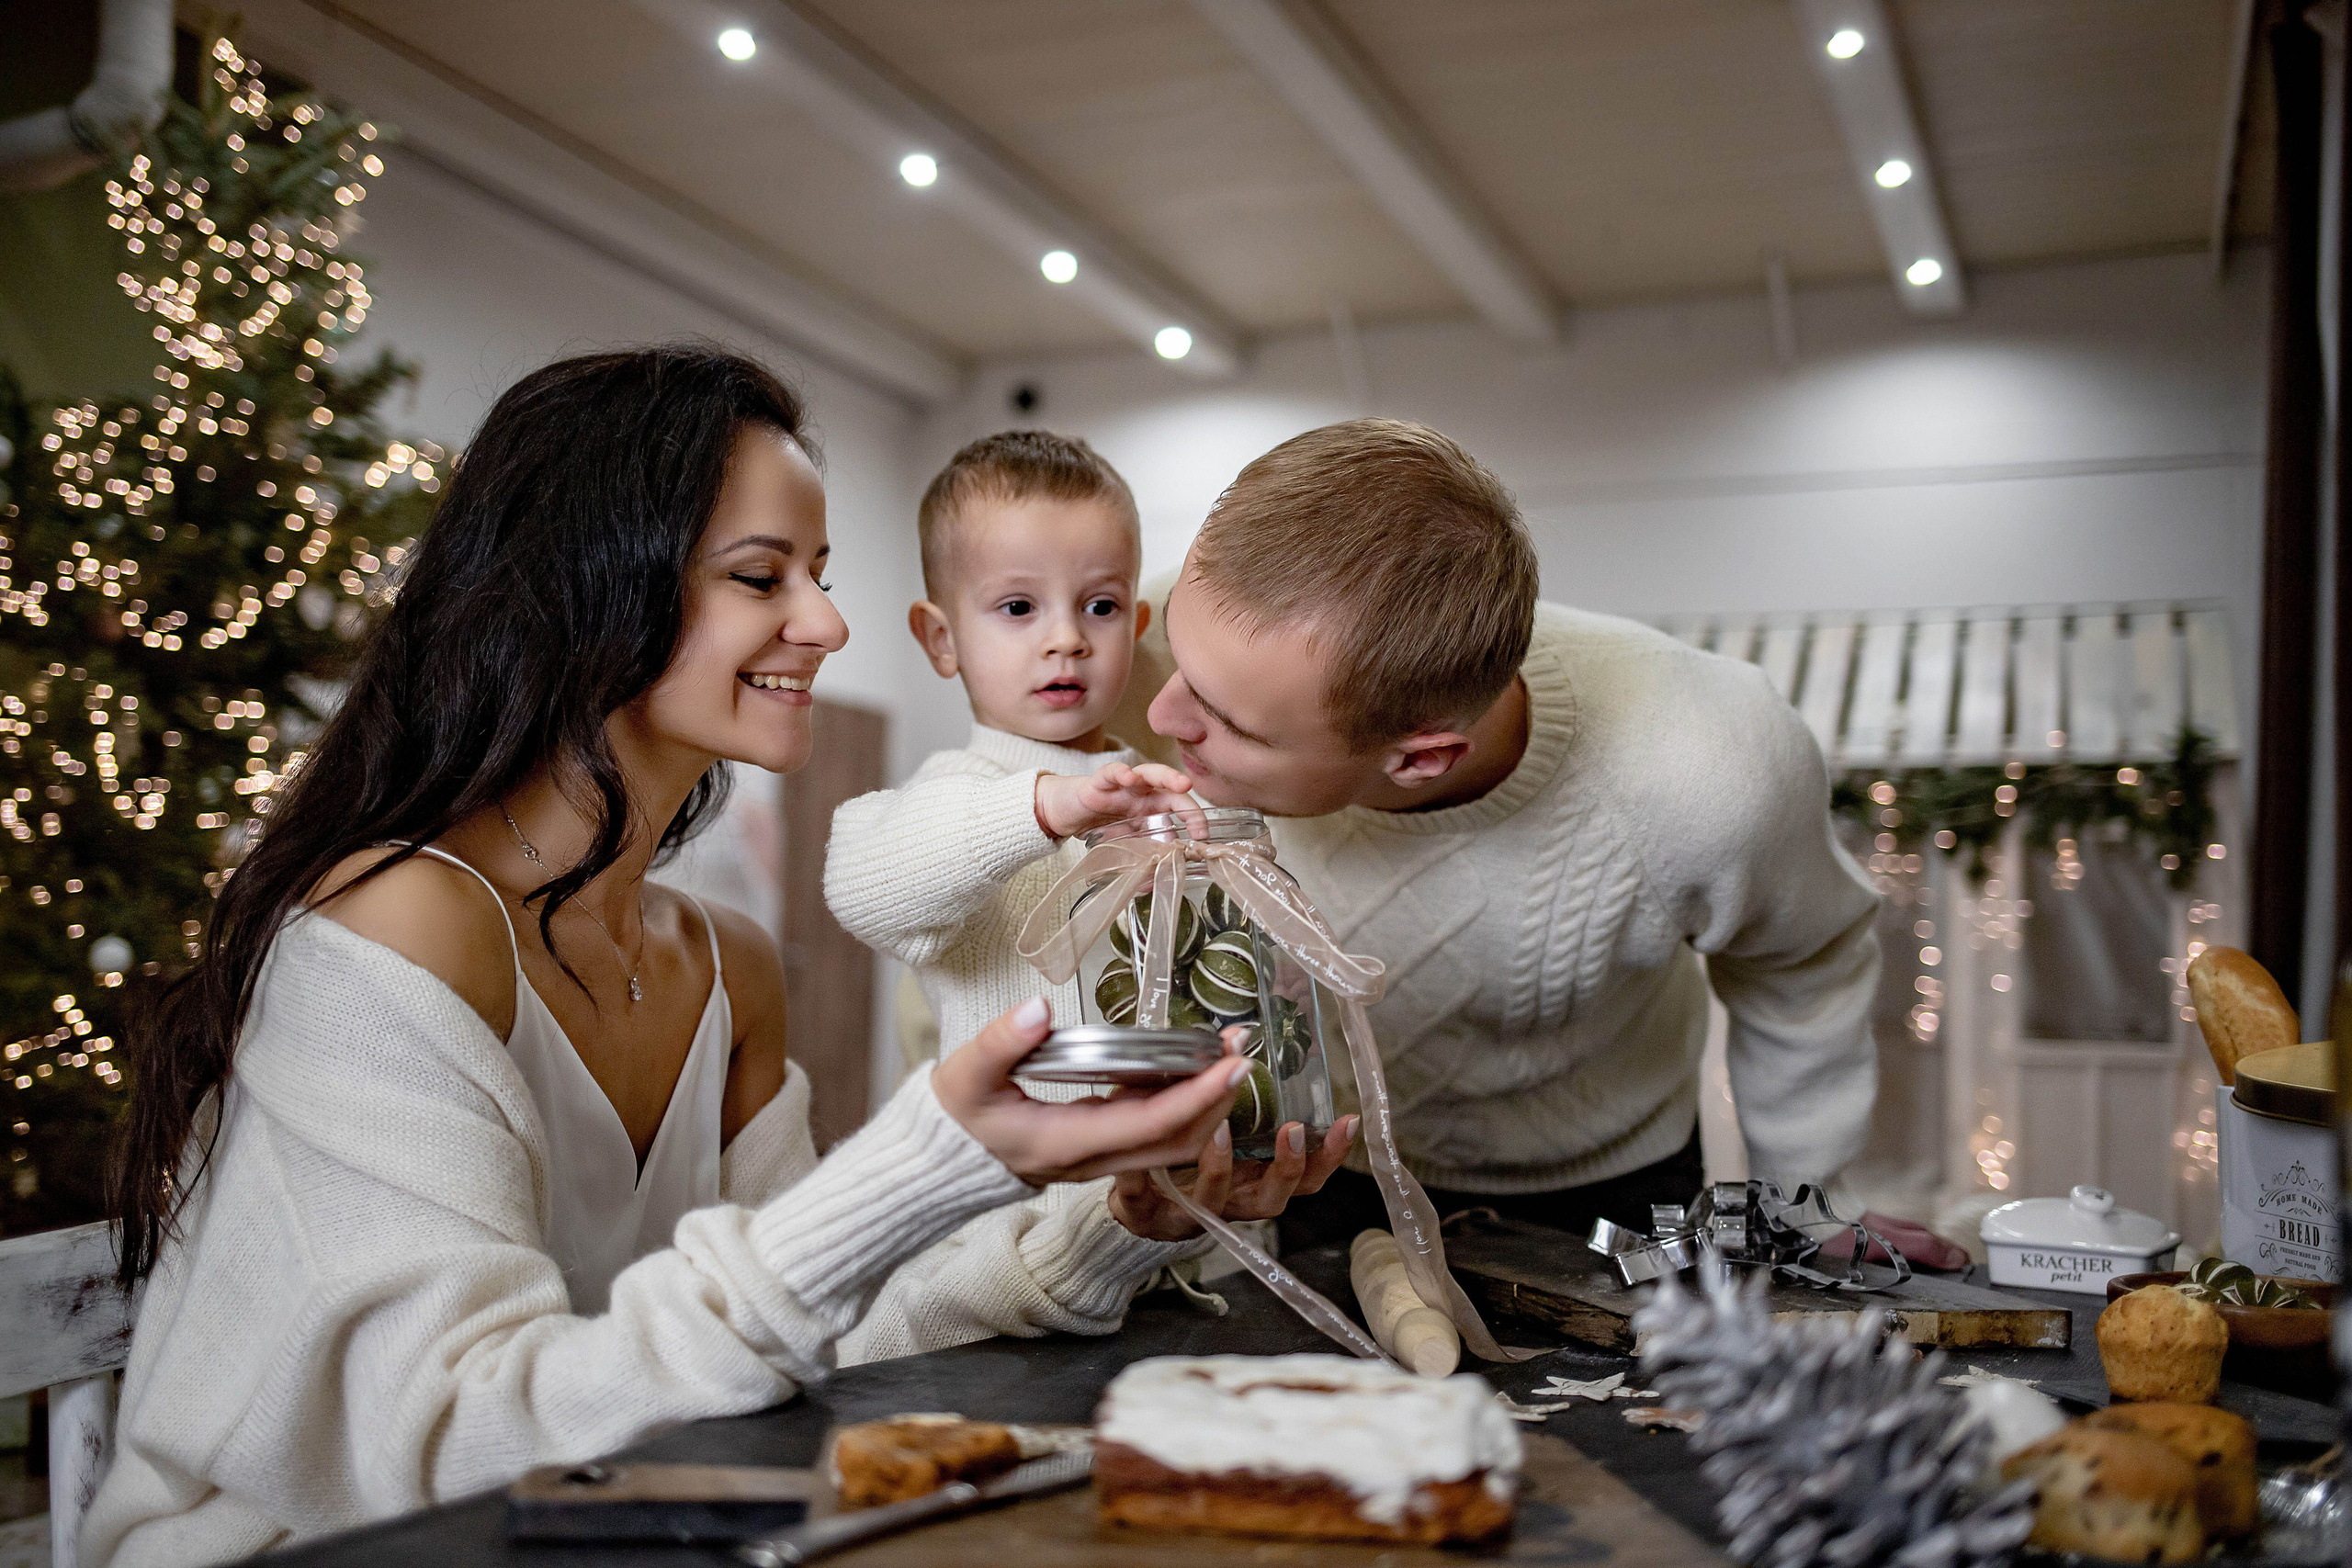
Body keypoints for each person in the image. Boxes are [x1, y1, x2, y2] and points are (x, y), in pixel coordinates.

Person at [88, 351, 1330, 1568]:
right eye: (761, 574)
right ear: (588, 588)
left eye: (821, 572)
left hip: (607, 1517)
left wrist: (1122, 1221)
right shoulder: (395, 921)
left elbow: (819, 1333)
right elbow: (460, 1439)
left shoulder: (725, 965)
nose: (828, 622)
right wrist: (933, 1153)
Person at [1103, 419, 1883, 1247]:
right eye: (1176, 657)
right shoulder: (1134, 644)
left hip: (1615, 1184)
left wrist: (1808, 1205)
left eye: (1226, 723)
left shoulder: (1709, 765)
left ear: (1420, 758)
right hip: (1324, 1167)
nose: (1159, 713)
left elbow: (1805, 964)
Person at [824, 431, 1353, 1276]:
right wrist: (1046, 805)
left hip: (1205, 1239)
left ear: (1137, 627)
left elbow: (1240, 985)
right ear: (940, 638)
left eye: (1100, 606)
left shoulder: (1184, 795)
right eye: (1018, 607)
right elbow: (865, 884)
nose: (1066, 638)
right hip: (1013, 1248)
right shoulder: (953, 797)